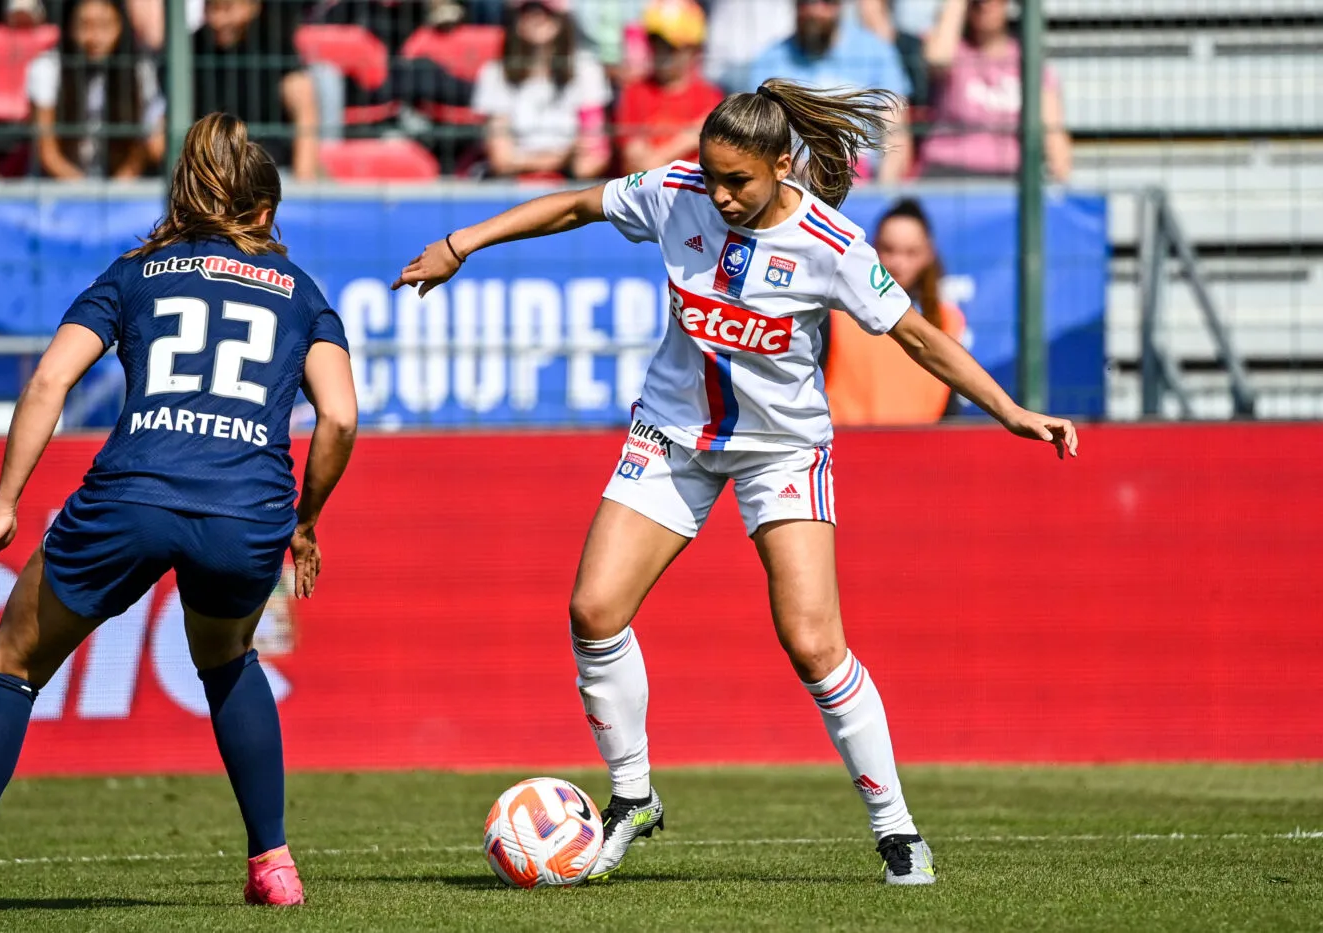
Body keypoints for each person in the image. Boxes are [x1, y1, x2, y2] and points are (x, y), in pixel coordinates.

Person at [394, 79, 1078, 885]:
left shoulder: (832, 246)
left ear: (783, 166)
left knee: (814, 644)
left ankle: (898, 831)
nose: (716, 194)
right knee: (593, 609)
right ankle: (633, 797)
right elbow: (576, 205)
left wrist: (1007, 409)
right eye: (709, 174)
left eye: (737, 182)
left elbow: (920, 338)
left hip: (782, 451)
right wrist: (462, 241)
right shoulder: (675, 192)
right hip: (673, 434)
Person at [0, 113, 358, 920]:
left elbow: (51, 381)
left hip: (132, 493)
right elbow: (338, 417)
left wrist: (5, 506)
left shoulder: (136, 272)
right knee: (227, 659)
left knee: (12, 660)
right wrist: (304, 520)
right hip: (246, 507)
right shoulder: (300, 291)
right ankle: (274, 864)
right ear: (264, 213)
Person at [825, 197, 967, 424]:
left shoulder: (949, 320)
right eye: (889, 250)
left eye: (911, 252)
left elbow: (949, 408)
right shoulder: (837, 312)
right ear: (873, 249)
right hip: (847, 446)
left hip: (919, 450)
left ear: (929, 254)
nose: (899, 263)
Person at [746, 0, 913, 182]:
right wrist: (810, 178)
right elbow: (760, 139)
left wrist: (881, 192)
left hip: (867, 183)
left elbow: (896, 132)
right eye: (805, 3)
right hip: (794, 185)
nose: (815, 11)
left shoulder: (876, 52)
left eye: (827, 2)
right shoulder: (769, 61)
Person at [920, 0, 1072, 180]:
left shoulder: (1028, 62)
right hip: (950, 173)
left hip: (1010, 177)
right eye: (976, 1)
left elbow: (1053, 131)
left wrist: (1063, 179)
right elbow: (937, 60)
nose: (985, 5)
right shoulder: (954, 52)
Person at [471, 0, 610, 180]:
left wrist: (527, 161)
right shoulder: (495, 74)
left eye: (545, 10)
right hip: (512, 184)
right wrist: (562, 157)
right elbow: (501, 159)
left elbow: (592, 159)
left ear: (562, 18)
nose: (536, 17)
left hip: (569, 184)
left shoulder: (587, 70)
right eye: (527, 11)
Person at [28, 0, 165, 179]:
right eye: (85, 25)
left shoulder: (140, 69)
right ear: (69, 26)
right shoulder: (47, 67)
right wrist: (87, 193)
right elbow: (47, 152)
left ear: (121, 25)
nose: (95, 37)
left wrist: (120, 184)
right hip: (61, 187)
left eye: (105, 25)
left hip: (124, 187)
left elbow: (151, 140)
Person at [193, 0, 320, 179]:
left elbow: (304, 110)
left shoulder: (275, 47)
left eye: (227, 9)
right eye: (211, 9)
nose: (218, 19)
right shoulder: (193, 47)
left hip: (268, 169)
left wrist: (303, 181)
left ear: (253, 7)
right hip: (208, 169)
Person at [614, 0, 724, 175]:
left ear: (693, 50)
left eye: (671, 47)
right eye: (656, 44)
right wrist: (689, 138)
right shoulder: (634, 92)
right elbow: (635, 163)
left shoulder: (711, 97)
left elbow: (710, 166)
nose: (661, 53)